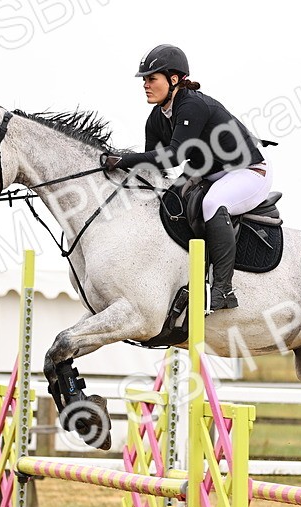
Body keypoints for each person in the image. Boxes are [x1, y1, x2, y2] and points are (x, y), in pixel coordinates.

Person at [104, 44, 273, 311]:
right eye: (144, 80)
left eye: (152, 79)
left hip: (248, 172)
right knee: (171, 201)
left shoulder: (192, 105)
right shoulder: (157, 117)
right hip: (209, 174)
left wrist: (123, 159)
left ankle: (224, 290)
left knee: (212, 204)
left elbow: (173, 156)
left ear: (173, 80)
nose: (146, 85)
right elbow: (155, 168)